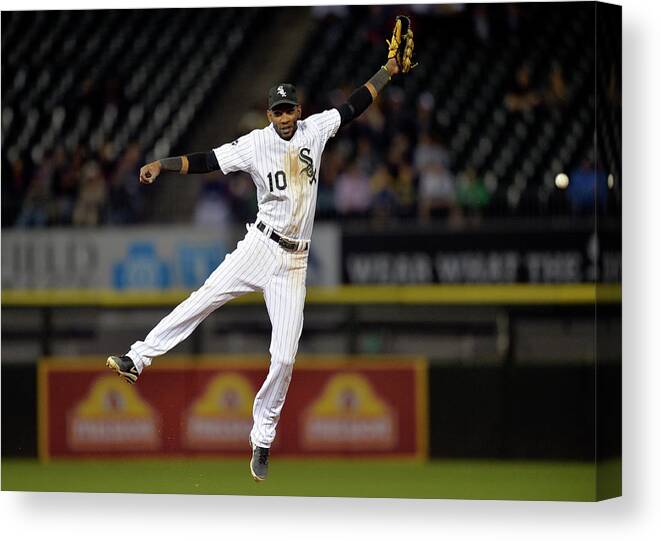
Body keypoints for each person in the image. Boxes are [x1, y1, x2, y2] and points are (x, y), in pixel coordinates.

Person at [106, 19, 415, 482]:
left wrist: (388, 69)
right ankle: (138, 358)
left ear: (298, 109)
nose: (285, 116)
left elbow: (354, 105)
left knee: (286, 356)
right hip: (260, 244)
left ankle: (262, 440)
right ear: (269, 115)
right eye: (278, 111)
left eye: (290, 109)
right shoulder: (255, 144)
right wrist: (162, 166)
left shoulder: (314, 129)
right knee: (203, 298)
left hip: (294, 262)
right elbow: (208, 160)